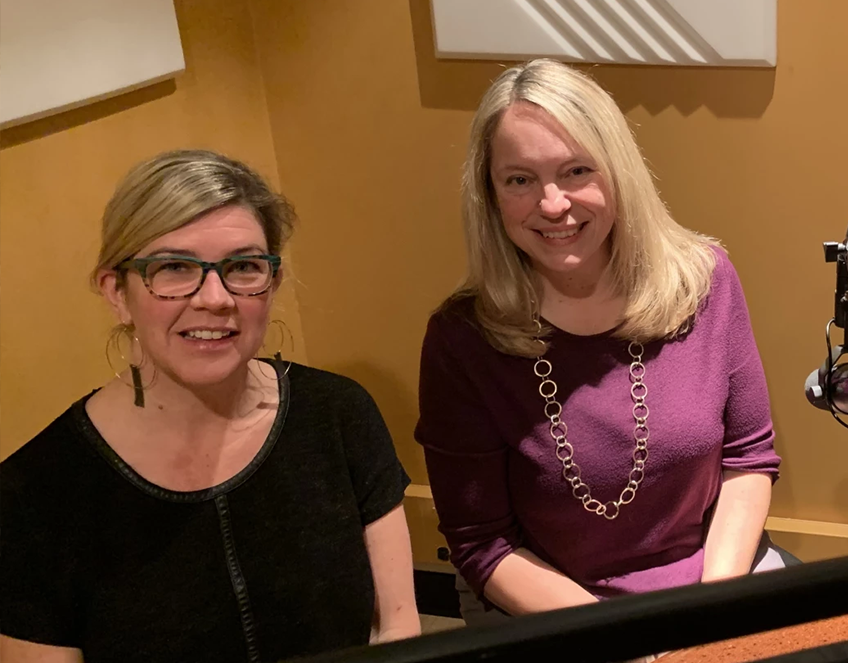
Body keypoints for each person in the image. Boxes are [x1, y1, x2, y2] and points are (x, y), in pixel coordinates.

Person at [0, 150, 420, 662]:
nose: (216, 298)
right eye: (174, 267)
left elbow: (398, 629)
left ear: (273, 281)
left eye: (243, 267)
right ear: (117, 291)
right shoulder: (32, 495)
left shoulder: (338, 415)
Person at [416, 59, 784, 622]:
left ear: (618, 173)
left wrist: (712, 610)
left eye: (576, 171)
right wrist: (622, 643)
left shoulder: (706, 282)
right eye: (519, 179)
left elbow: (747, 459)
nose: (553, 204)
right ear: (490, 196)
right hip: (562, 614)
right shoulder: (461, 339)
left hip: (713, 581)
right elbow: (483, 544)